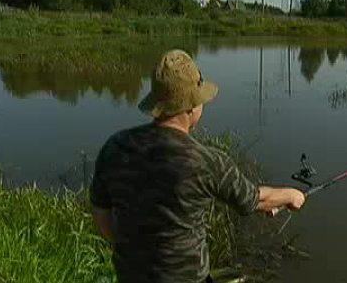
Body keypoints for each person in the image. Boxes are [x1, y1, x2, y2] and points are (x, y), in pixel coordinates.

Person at [90, 49, 305, 283]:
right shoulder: (206, 161)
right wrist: (290, 195)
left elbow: (102, 217)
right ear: (191, 106)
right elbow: (253, 200)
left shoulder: (115, 147)